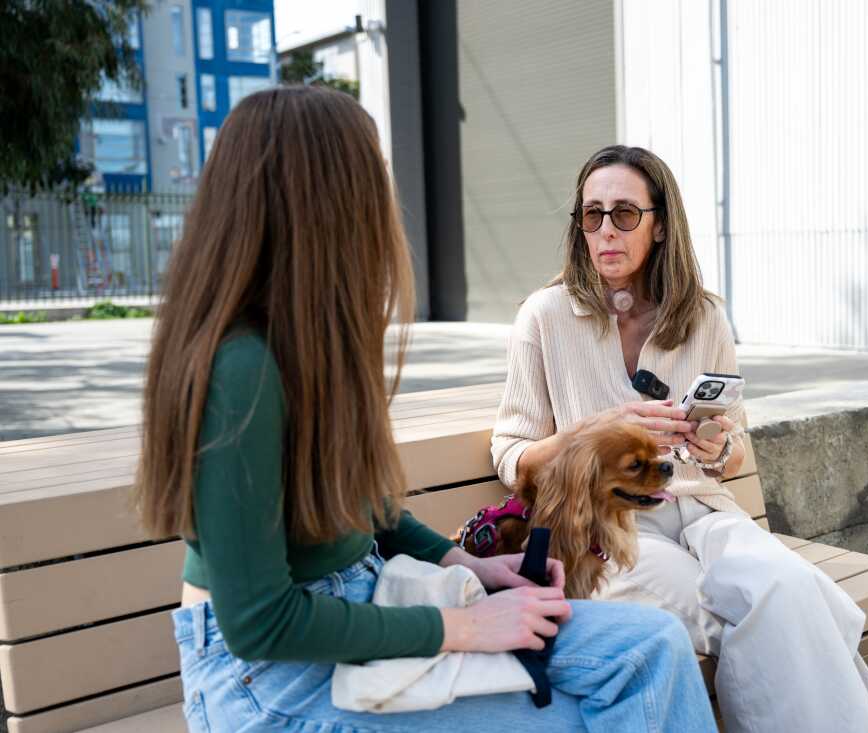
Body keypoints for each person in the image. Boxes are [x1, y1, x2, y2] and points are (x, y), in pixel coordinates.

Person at [133, 88, 715, 733]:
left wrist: (470, 566)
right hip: (272, 681)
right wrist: (466, 625)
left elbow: (366, 512)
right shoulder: (238, 370)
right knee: (581, 715)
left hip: (365, 609)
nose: (385, 202)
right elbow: (261, 623)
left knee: (652, 647)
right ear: (321, 202)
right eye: (372, 176)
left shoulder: (311, 340)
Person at [491, 144, 868, 733]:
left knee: (788, 589)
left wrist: (717, 446)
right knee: (761, 621)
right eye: (592, 215)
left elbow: (731, 442)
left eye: (625, 213)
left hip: (702, 510)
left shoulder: (704, 316)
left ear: (660, 225)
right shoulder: (544, 316)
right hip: (609, 525)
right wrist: (594, 429)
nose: (606, 230)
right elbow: (511, 453)